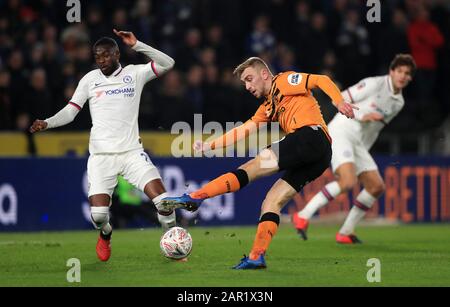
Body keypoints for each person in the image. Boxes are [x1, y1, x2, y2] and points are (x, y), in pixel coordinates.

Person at [161, 57, 357, 269]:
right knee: (271, 202)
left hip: (309, 136)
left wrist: (339, 102)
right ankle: (256, 256)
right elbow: (243, 130)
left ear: (264, 74)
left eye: (249, 79)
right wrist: (211, 146)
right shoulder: (267, 107)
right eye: (244, 82)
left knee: (251, 168)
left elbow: (321, 80)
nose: (247, 86)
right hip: (320, 156)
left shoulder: (282, 81)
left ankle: (196, 197)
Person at [29, 30, 176, 262]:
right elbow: (71, 111)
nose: (101, 60)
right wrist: (48, 123)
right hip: (101, 157)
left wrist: (137, 44)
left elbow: (168, 63)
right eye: (97, 57)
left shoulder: (134, 74)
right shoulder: (89, 79)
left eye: (106, 56)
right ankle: (106, 233)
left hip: (131, 153)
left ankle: (173, 241)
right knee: (98, 216)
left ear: (117, 53)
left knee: (164, 203)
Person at [292, 54, 416, 244]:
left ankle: (345, 232)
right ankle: (302, 215)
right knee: (348, 181)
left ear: (410, 78)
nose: (402, 76)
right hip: (342, 130)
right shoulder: (374, 84)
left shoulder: (399, 103)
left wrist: (363, 151)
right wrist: (363, 115)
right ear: (392, 71)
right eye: (399, 71)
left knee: (376, 187)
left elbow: (374, 130)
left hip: (358, 143)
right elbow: (339, 99)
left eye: (406, 73)